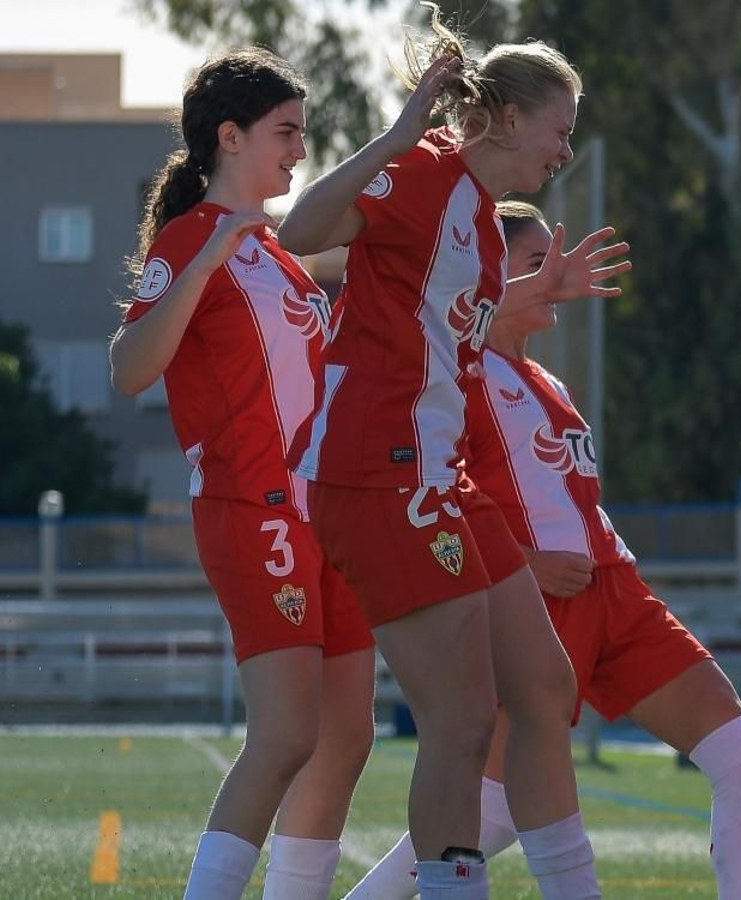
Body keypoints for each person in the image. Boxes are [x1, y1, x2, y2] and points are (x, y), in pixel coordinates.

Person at [275, 8, 630, 897]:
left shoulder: (476, 211)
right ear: (508, 118)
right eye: (561, 130)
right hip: (375, 472)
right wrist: (394, 137)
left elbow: (437, 321)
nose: (565, 152)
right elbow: (300, 231)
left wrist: (527, 290)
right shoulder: (425, 171)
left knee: (542, 687)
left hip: (437, 475)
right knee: (463, 718)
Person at [345, 202, 741, 899]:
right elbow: (429, 490)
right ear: (489, 277)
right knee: (491, 812)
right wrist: (522, 560)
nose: (555, 274)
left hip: (620, 595)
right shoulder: (459, 374)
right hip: (543, 605)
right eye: (534, 262)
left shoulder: (550, 383)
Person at [109, 48, 375, 900]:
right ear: (230, 137)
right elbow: (128, 368)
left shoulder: (278, 252)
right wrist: (211, 253)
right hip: (252, 509)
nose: (301, 149)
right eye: (286, 132)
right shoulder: (195, 240)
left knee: (349, 733)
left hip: (322, 515)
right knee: (288, 734)